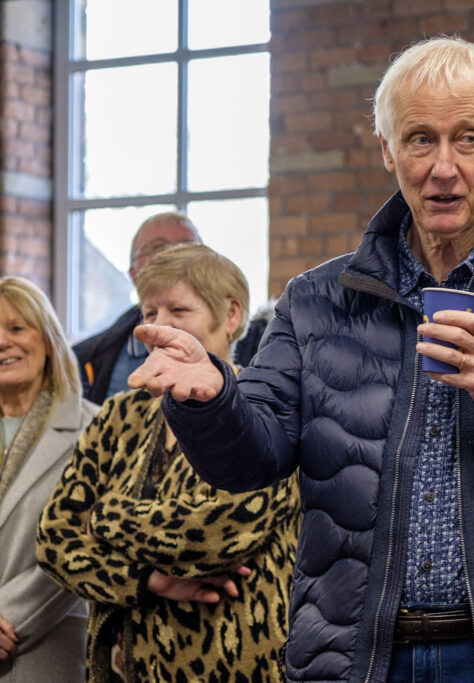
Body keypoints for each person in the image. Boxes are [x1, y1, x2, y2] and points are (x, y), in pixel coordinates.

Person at [127, 36, 474, 683]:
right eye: (420, 139)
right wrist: (213, 397)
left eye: (467, 138)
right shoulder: (317, 300)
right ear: (388, 150)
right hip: (358, 659)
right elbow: (250, 460)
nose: (444, 166)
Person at [37, 245, 300, 682]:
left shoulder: (266, 406)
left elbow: (212, 536)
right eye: (149, 311)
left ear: (231, 315)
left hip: (237, 662)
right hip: (129, 665)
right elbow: (54, 541)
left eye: (179, 309)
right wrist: (149, 582)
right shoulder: (119, 414)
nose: (159, 326)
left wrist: (103, 518)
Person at [0, 276, 97, 681]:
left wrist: (7, 617)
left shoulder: (94, 427)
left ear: (49, 339)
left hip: (43, 647)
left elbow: (84, 539)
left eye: (17, 328)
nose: (3, 342)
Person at [73, 211, 201, 404]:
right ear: (133, 274)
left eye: (188, 247)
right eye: (159, 248)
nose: (175, 256)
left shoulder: (250, 346)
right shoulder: (91, 358)